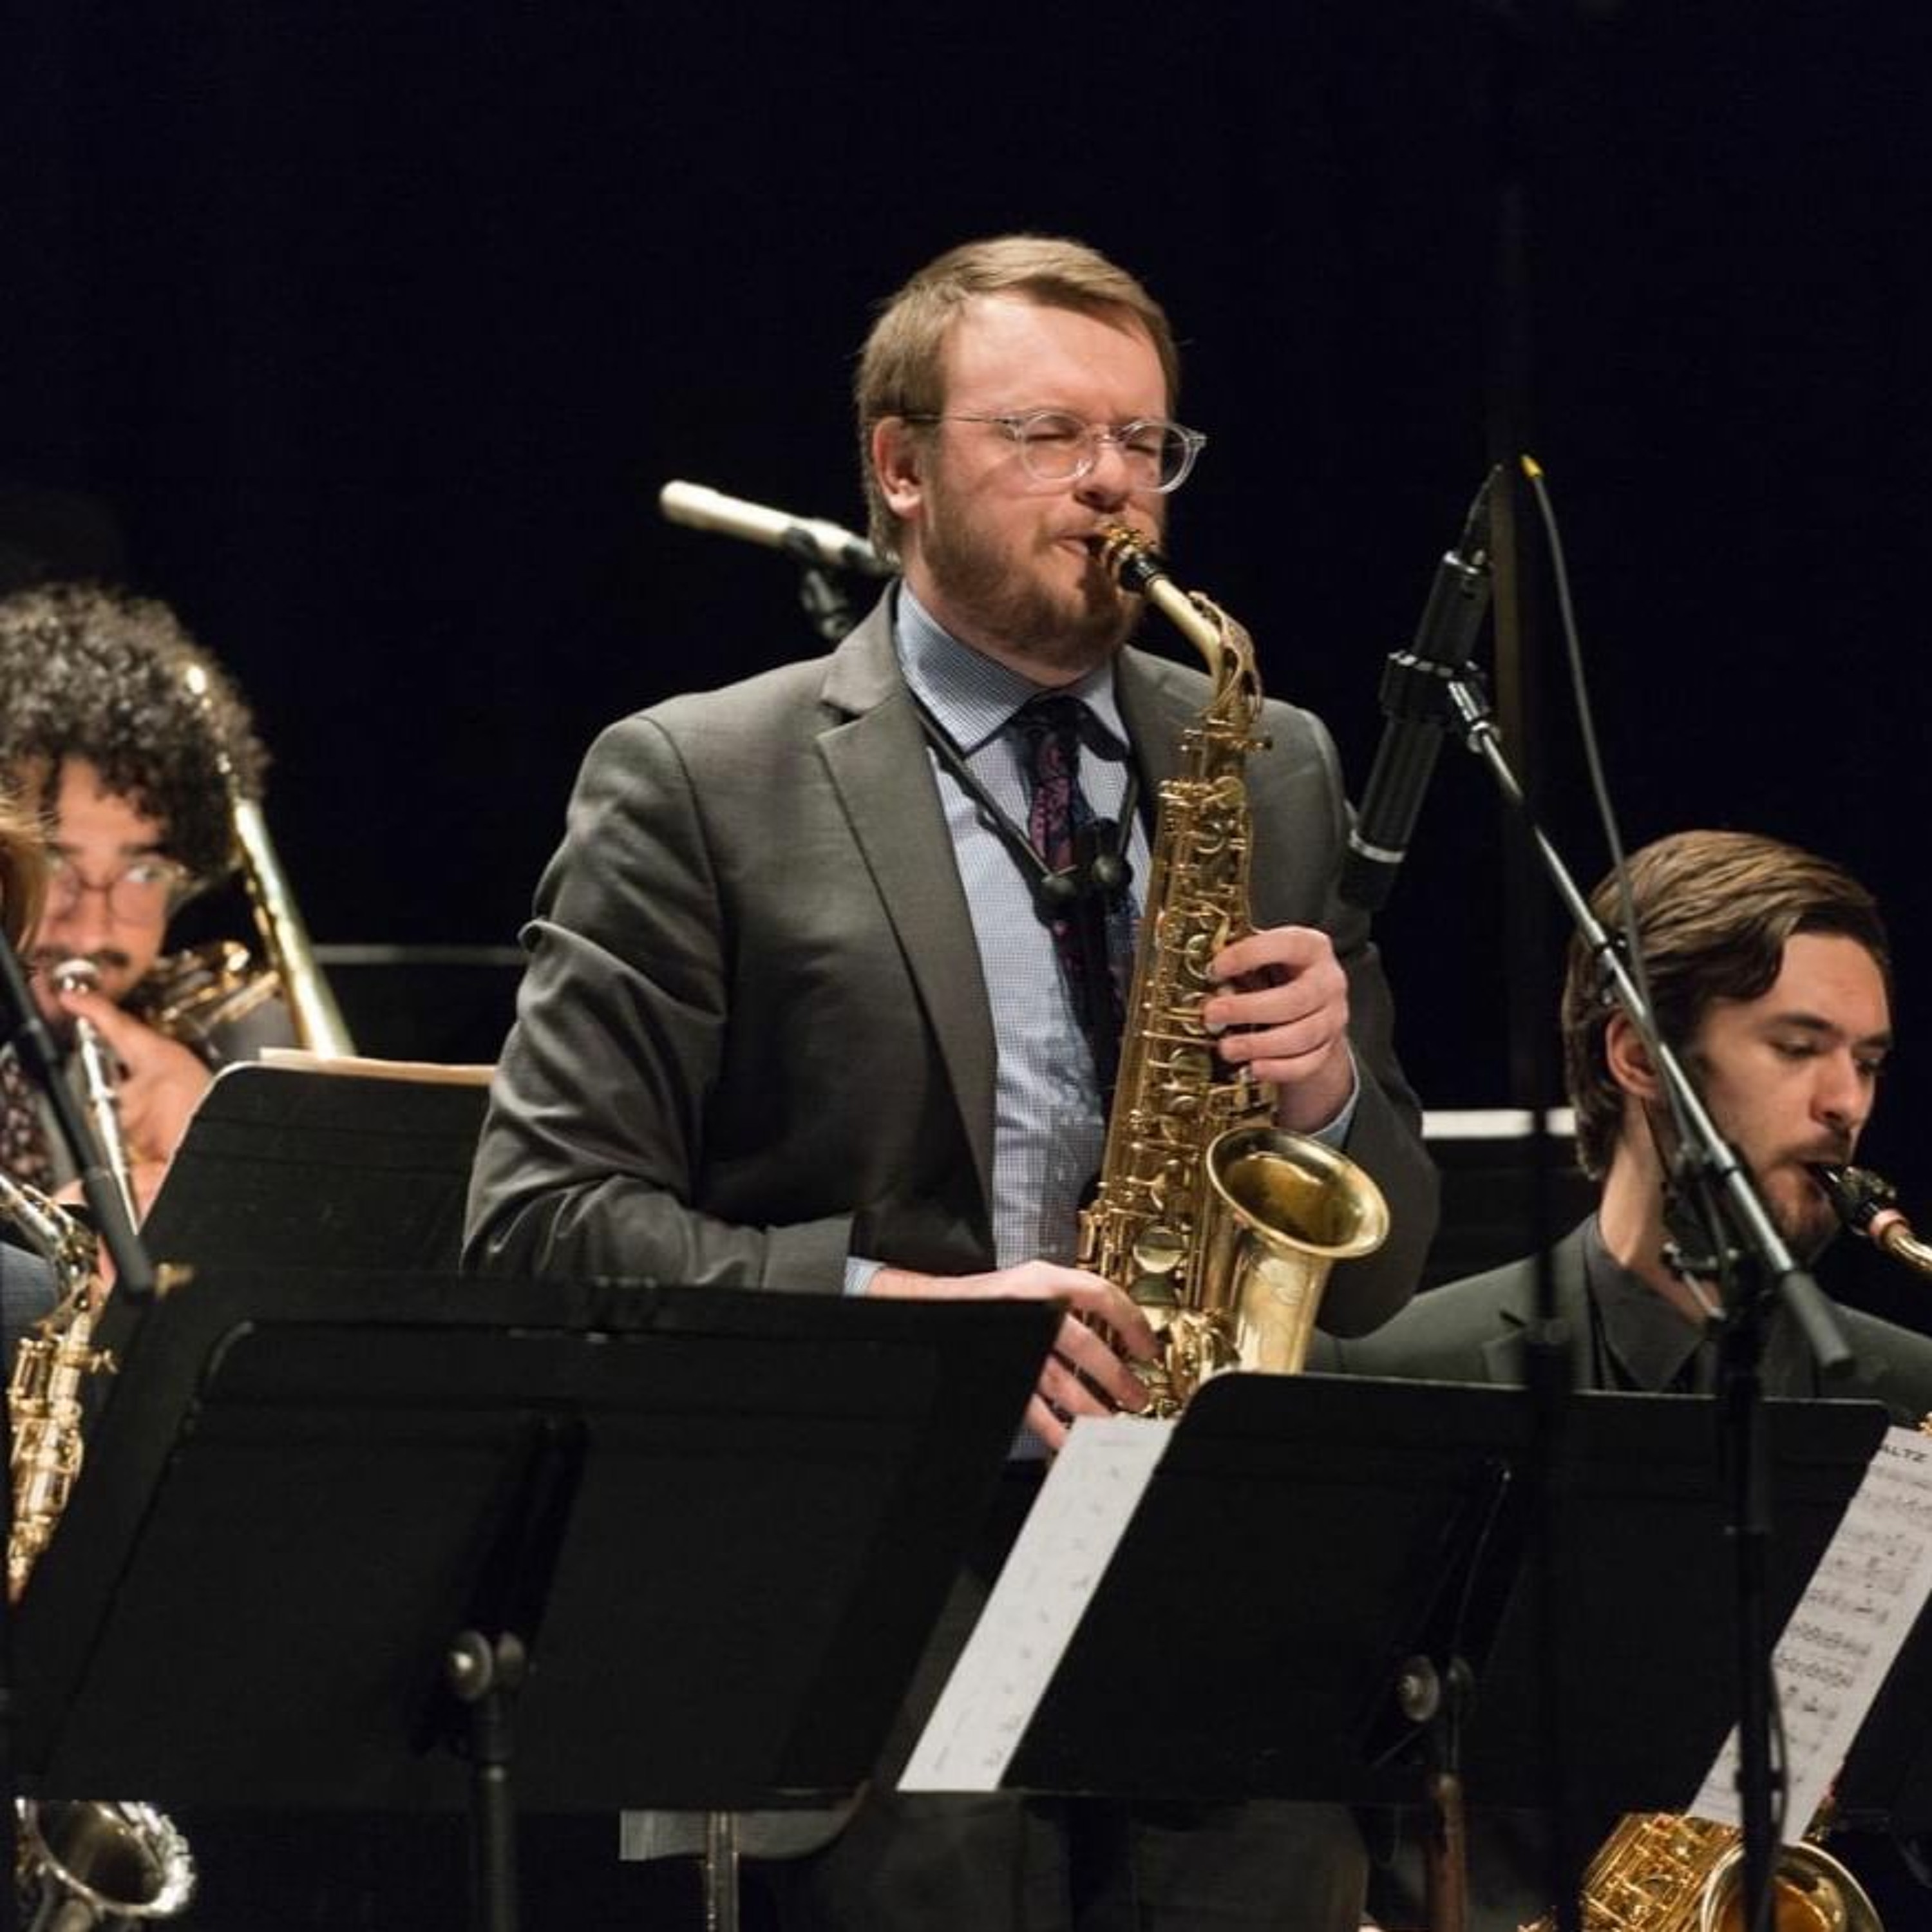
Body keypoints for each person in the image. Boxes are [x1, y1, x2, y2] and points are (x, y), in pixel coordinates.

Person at [466, 233, 1439, 1931]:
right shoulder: (700, 776)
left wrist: (1328, 1097)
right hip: (861, 1615)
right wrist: (922, 1331)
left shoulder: (1274, 766)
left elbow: (1382, 1265)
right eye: (1048, 435)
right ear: (901, 468)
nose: (1113, 485)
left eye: (1145, 442)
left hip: (1199, 1606)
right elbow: (541, 1227)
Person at [1316, 828, 1932, 1929]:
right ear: (1638, 1058)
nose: (1848, 1102)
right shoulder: (1396, 1373)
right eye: (1800, 1047)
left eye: (1870, 1061)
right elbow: (1300, 1797)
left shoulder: (1909, 1396)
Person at [0, 583, 296, 1208]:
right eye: (55, 864)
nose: (91, 930)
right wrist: (67, 1241)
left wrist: (225, 1165)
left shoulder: (230, 1043)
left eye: (142, 873)